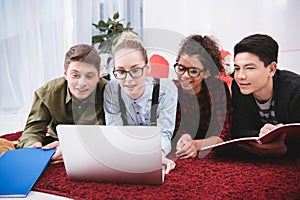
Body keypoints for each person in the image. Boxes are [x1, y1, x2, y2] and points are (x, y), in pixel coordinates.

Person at [17, 44, 107, 163]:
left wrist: (72, 147)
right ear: (65, 74)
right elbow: (33, 129)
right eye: (75, 75)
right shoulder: (46, 93)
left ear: (98, 76)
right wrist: (33, 146)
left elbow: (115, 134)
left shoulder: (109, 92)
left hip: (94, 145)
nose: (82, 83)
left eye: (89, 76)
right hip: (56, 142)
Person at [103, 32, 178, 173]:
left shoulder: (166, 90)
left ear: (147, 68)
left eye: (135, 70)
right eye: (120, 71)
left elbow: (165, 133)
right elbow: (115, 132)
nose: (128, 79)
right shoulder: (111, 90)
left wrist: (159, 154)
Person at [231, 33, 300, 156]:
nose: (240, 76)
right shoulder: (237, 87)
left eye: (250, 68)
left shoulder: (295, 90)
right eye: (237, 68)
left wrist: (286, 149)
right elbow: (239, 129)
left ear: (272, 69)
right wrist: (260, 134)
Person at [172, 34, 232, 159]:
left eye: (193, 71)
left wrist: (196, 144)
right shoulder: (174, 91)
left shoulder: (217, 90)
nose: (185, 76)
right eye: (181, 68)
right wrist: (184, 137)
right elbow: (175, 129)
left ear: (207, 72)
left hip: (214, 157)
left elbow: (223, 135)